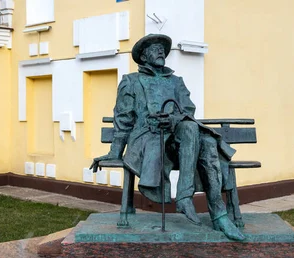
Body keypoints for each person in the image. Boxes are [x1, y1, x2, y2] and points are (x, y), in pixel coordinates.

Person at [91, 34, 244, 241]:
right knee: (197, 135)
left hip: (177, 140)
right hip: (148, 139)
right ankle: (195, 202)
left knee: (204, 139)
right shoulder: (131, 82)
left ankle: (215, 212)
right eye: (155, 48)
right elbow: (123, 119)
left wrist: (173, 119)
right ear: (143, 57)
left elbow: (188, 110)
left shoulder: (176, 82)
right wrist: (114, 152)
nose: (161, 51)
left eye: (163, 48)